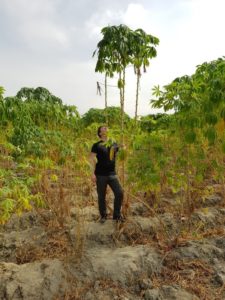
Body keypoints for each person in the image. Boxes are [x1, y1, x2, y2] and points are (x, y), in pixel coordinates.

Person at [90, 126, 124, 223]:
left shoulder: (113, 143)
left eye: (107, 128)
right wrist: (92, 173)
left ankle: (116, 216)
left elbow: (121, 153)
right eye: (104, 128)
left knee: (119, 193)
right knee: (101, 196)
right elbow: (92, 159)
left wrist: (123, 147)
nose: (106, 129)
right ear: (100, 133)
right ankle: (103, 216)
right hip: (100, 175)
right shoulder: (96, 145)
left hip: (112, 174)